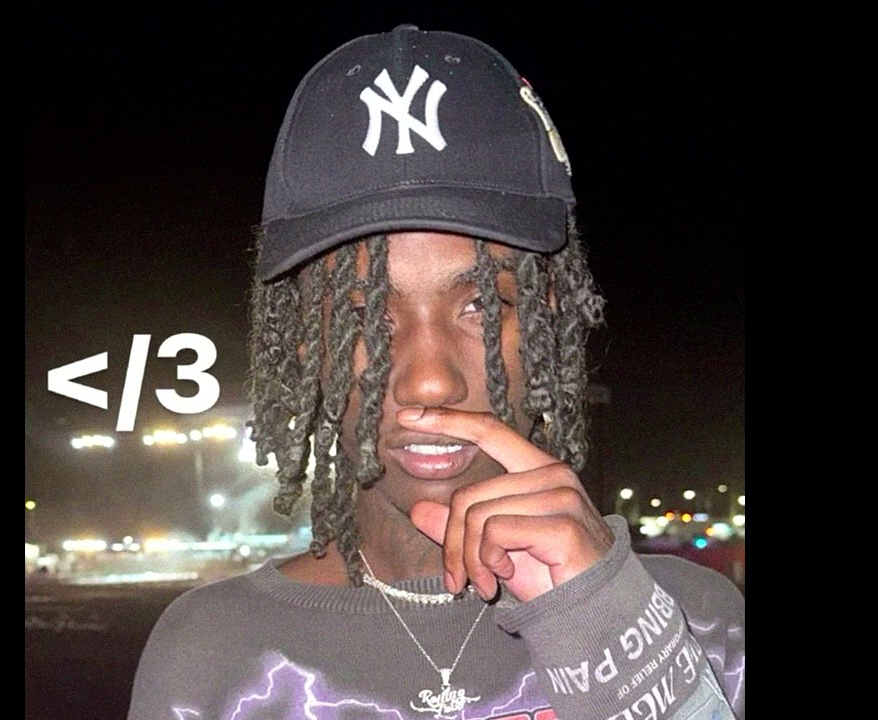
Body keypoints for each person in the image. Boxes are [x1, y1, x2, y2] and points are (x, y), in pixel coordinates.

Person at [128, 24, 744, 720]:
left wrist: (608, 630)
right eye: (364, 315)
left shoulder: (698, 624)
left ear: (546, 322)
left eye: (482, 304)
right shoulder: (214, 660)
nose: (429, 382)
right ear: (305, 344)